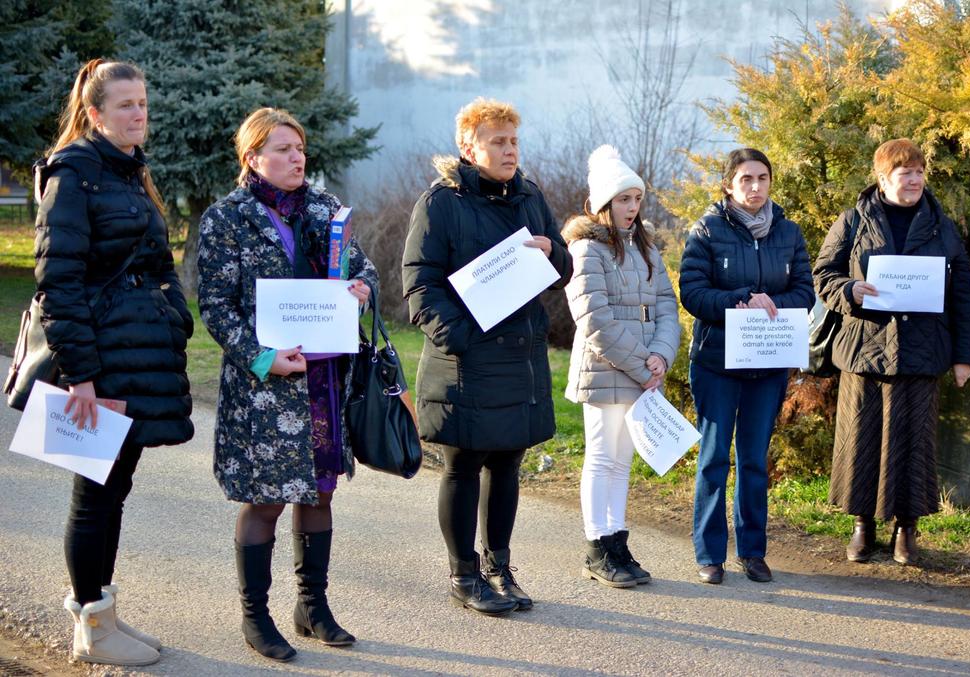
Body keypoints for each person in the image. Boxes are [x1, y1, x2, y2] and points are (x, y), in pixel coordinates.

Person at [197, 108, 378, 661]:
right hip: (264, 387)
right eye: (282, 149)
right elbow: (215, 306)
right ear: (252, 158)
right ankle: (256, 617)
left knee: (320, 491)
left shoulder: (325, 210)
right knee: (267, 500)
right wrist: (260, 358)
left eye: (299, 147)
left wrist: (360, 288)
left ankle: (313, 607)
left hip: (322, 379)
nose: (296, 157)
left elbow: (364, 268)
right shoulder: (227, 217)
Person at [32, 59, 194, 666]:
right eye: (125, 105)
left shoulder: (127, 172)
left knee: (114, 489)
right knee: (94, 496)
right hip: (98, 365)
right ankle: (91, 630)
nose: (138, 114)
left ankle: (103, 611)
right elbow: (60, 282)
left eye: (143, 103)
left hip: (135, 355)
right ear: (95, 114)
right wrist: (81, 376)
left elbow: (156, 262)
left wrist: (176, 314)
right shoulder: (75, 174)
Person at [401, 97, 572, 615]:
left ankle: (499, 567)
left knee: (507, 463)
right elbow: (418, 285)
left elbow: (561, 268)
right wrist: (460, 338)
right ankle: (464, 575)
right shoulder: (440, 203)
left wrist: (552, 254)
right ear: (468, 146)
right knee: (463, 464)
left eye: (514, 140)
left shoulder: (530, 196)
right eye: (497, 141)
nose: (509, 150)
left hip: (519, 357)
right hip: (466, 361)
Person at [814, 138, 970, 565]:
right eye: (906, 173)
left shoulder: (942, 226)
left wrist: (964, 356)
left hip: (922, 353)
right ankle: (862, 527)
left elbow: (962, 294)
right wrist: (849, 289)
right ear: (883, 178)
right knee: (861, 440)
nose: (915, 180)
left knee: (915, 443)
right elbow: (823, 275)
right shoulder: (852, 220)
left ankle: (907, 530)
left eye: (920, 172)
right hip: (865, 350)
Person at [679, 148, 814, 585]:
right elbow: (693, 293)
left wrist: (773, 302)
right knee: (715, 457)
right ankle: (710, 554)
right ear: (728, 185)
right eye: (745, 180)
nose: (755, 187)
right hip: (717, 363)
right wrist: (742, 298)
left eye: (762, 178)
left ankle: (753, 551)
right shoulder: (707, 229)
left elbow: (806, 292)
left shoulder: (789, 233)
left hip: (768, 362)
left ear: (771, 182)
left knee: (754, 459)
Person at [562, 145, 680, 587]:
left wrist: (662, 356)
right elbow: (595, 319)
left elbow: (668, 306)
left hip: (642, 371)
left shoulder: (646, 247)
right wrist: (641, 364)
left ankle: (616, 540)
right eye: (623, 200)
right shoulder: (586, 250)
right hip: (606, 370)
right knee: (601, 456)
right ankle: (596, 545)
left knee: (623, 460)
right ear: (602, 205)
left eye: (636, 199)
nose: (632, 208)